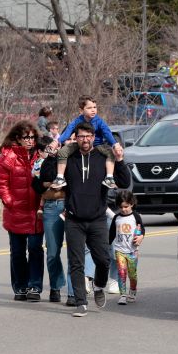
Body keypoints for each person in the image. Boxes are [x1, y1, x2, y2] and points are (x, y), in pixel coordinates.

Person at [62, 121, 131, 317]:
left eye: (88, 136)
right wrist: (52, 156)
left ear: (93, 137)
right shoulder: (69, 157)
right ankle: (81, 303)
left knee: (103, 259)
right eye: (81, 136)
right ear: (76, 137)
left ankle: (99, 285)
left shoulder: (103, 158)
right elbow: (48, 178)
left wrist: (120, 160)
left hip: (97, 219)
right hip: (74, 219)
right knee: (76, 262)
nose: (85, 139)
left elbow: (124, 182)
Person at [0, 121, 45, 302]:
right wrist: (10, 202)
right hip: (16, 211)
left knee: (35, 249)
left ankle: (35, 286)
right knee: (17, 251)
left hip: (35, 212)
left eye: (32, 137)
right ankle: (20, 286)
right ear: (18, 138)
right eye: (26, 137)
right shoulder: (7, 156)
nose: (30, 141)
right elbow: (1, 182)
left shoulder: (41, 155)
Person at [51, 95, 123, 190]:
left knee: (110, 152)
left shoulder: (99, 121)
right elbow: (68, 131)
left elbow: (107, 132)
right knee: (62, 152)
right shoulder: (77, 121)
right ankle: (60, 177)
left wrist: (115, 144)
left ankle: (109, 177)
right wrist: (58, 141)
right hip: (80, 144)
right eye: (89, 108)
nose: (93, 110)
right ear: (81, 111)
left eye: (94, 107)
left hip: (97, 145)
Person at [31, 135, 66, 303]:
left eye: (56, 146)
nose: (53, 149)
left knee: (77, 251)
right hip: (51, 207)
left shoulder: (69, 160)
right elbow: (36, 183)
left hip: (69, 206)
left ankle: (77, 290)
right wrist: (46, 184)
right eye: (50, 148)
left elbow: (70, 182)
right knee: (52, 252)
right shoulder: (44, 163)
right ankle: (55, 287)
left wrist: (51, 183)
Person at [108, 190, 145, 305]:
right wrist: (106, 245)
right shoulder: (116, 218)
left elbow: (142, 229)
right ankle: (123, 295)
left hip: (132, 251)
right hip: (120, 250)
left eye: (126, 206)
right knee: (122, 273)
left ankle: (132, 291)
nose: (123, 209)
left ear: (132, 204)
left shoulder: (135, 216)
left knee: (132, 274)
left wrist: (141, 237)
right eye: (121, 207)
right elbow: (111, 234)